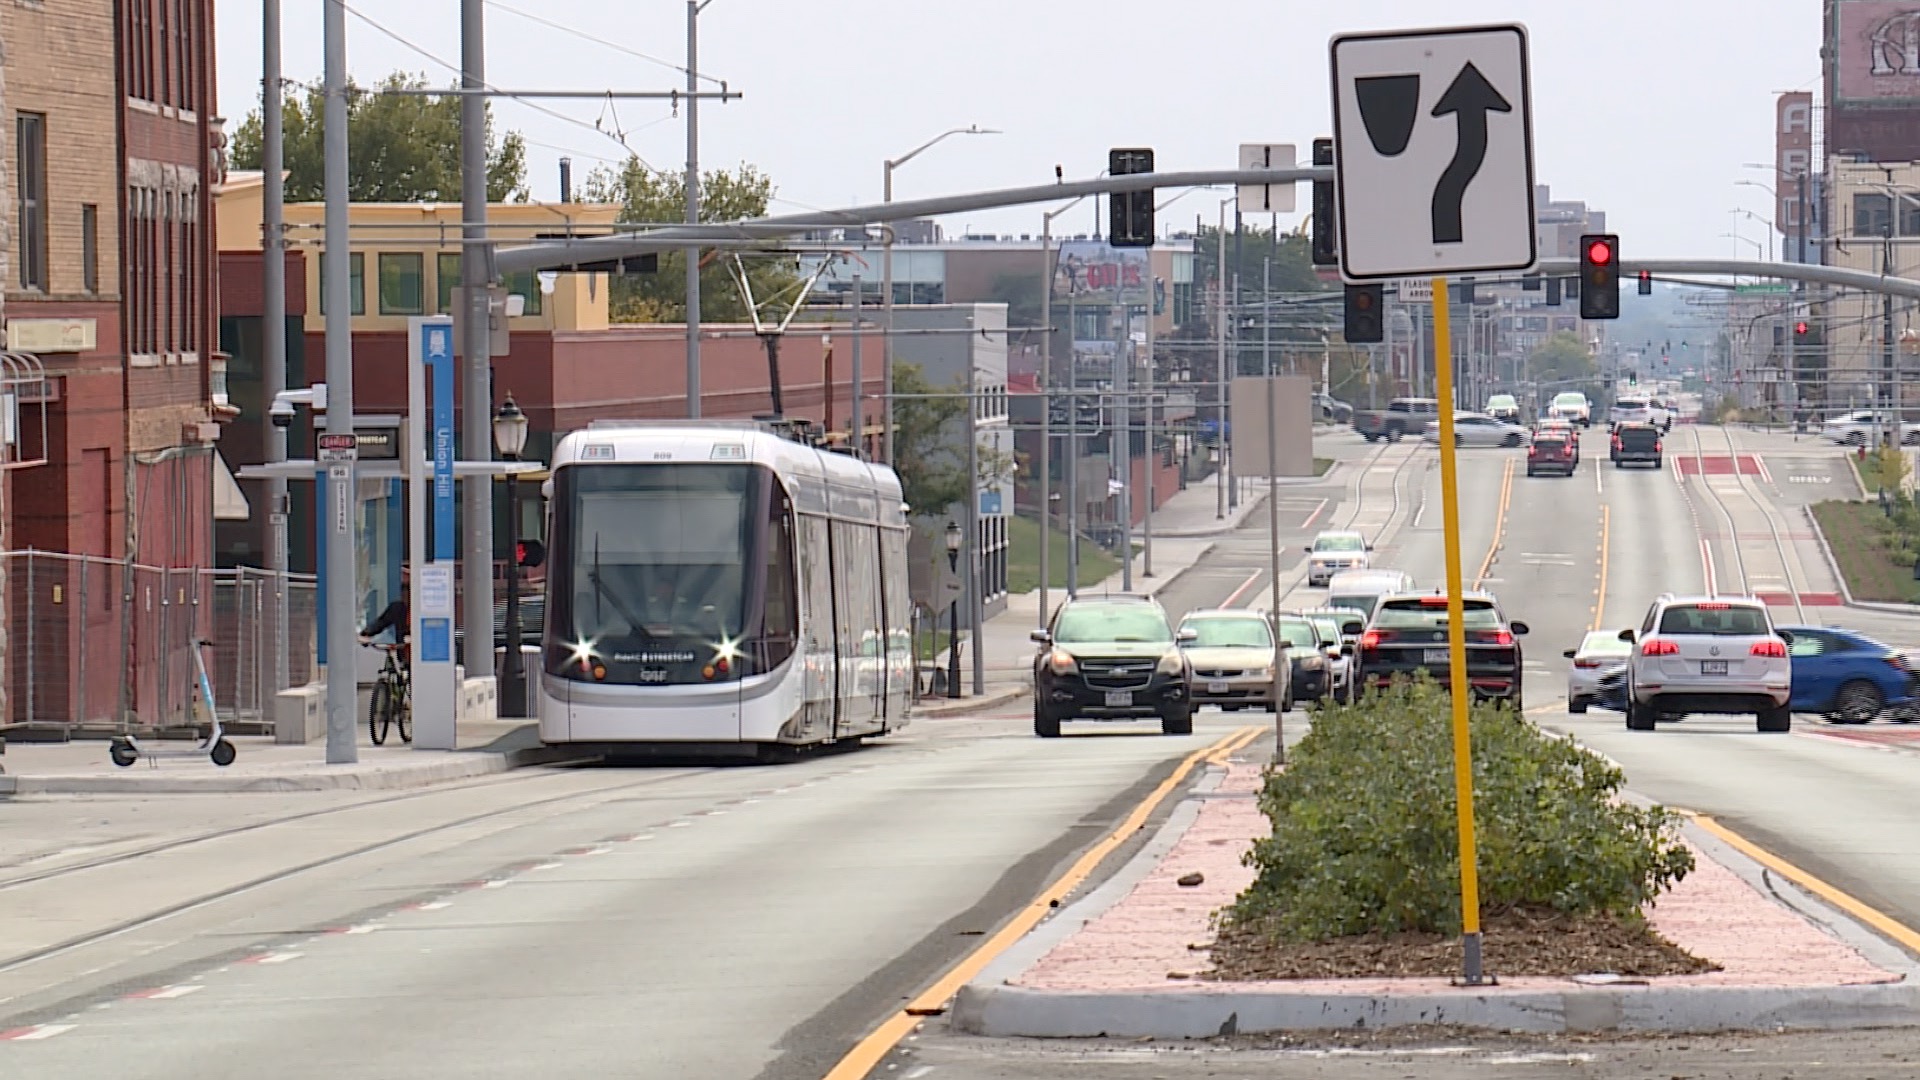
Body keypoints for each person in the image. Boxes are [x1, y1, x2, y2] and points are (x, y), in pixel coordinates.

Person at [359, 565, 411, 661]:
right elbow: (381, 623)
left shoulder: (424, 613)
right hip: (404, 657)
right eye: (402, 589)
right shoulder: (397, 608)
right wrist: (365, 634)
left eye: (408, 589)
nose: (405, 593)